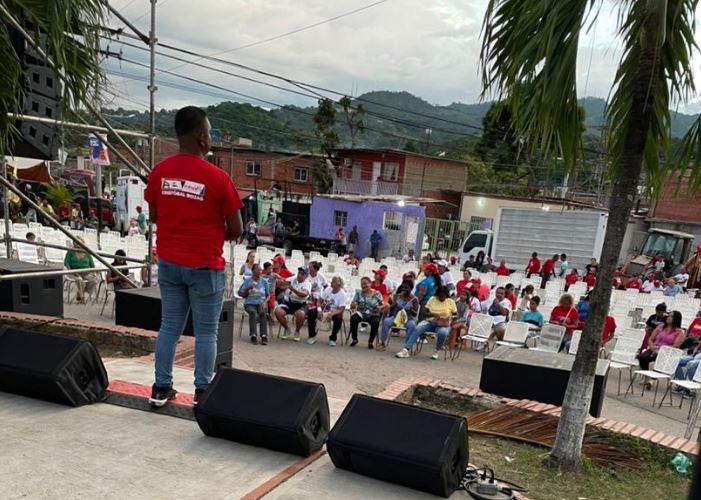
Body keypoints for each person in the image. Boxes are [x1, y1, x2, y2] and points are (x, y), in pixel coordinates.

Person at [145, 106, 244, 407]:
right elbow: (236, 228)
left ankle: (161, 388)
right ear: (202, 138)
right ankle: (202, 392)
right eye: (210, 132)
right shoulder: (218, 178)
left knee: (169, 328)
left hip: (170, 263)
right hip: (204, 266)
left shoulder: (160, 172)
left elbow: (154, 215)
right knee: (206, 333)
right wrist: (213, 233)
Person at [396, 286, 456, 360]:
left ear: (446, 295)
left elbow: (455, 314)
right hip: (430, 322)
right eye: (439, 296)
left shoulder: (450, 302)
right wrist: (433, 315)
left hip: (443, 324)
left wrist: (450, 318)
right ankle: (406, 349)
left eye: (443, 296)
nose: (441, 298)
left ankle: (436, 350)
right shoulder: (432, 299)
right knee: (418, 328)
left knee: (443, 333)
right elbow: (424, 313)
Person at [638, 311, 685, 382]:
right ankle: (646, 375)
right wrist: (652, 346)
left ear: (676, 319)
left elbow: (676, 345)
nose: (669, 317)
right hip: (654, 349)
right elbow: (651, 339)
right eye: (669, 315)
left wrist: (662, 349)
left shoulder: (679, 332)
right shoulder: (661, 326)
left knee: (660, 360)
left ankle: (652, 380)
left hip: (667, 352)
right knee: (642, 357)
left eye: (671, 316)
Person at [274, 267, 312, 342]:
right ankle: (287, 328)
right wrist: (280, 282)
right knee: (277, 311)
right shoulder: (292, 279)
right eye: (299, 273)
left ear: (306, 276)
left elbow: (304, 294)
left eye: (302, 274)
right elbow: (283, 283)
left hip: (300, 304)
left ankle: (297, 331)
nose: (300, 275)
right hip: (288, 302)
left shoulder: (307, 284)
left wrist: (293, 289)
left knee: (300, 314)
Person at [379, 281, 418, 351]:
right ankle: (382, 343)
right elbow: (391, 308)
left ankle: (407, 347)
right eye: (403, 287)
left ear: (411, 289)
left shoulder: (414, 299)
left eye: (406, 288)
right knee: (386, 322)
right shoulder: (398, 296)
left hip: (408, 319)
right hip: (396, 317)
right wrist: (395, 304)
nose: (403, 289)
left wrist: (411, 309)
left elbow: (415, 314)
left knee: (412, 325)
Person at [239, 263, 269, 345]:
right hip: (250, 303)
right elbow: (240, 293)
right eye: (258, 270)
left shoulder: (264, 281)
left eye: (261, 270)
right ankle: (253, 335)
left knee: (262, 313)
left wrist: (265, 302)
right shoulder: (248, 281)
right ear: (253, 271)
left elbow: (268, 295)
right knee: (252, 312)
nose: (260, 271)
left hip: (261, 303)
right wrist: (248, 288)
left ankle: (263, 335)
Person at [349, 277, 384, 348]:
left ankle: (370, 341)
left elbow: (382, 305)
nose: (363, 285)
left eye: (365, 284)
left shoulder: (377, 294)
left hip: (373, 314)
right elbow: (353, 304)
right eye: (362, 284)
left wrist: (379, 308)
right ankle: (355, 339)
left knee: (376, 322)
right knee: (354, 318)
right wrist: (353, 305)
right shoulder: (358, 293)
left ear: (370, 284)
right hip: (361, 313)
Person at [64, 237, 98, 303]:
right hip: (74, 272)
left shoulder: (87, 252)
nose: (77, 245)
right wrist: (71, 271)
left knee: (95, 280)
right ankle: (82, 297)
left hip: (86, 273)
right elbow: (66, 263)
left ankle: (79, 293)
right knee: (79, 280)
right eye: (76, 243)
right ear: (73, 244)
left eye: (79, 243)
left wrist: (94, 273)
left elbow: (92, 265)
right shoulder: (70, 251)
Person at [319, 276, 348, 347]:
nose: (331, 283)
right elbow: (320, 300)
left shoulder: (342, 294)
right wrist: (319, 310)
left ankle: (333, 338)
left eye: (333, 282)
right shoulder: (328, 289)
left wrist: (332, 314)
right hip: (324, 309)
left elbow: (341, 309)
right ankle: (312, 335)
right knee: (312, 312)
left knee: (338, 319)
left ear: (338, 284)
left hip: (335, 312)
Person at [305, 261, 328, 344]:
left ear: (315, 269)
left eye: (310, 267)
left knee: (313, 311)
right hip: (307, 297)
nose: (308, 268)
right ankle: (312, 334)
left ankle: (312, 335)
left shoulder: (321, 277)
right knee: (311, 312)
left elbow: (326, 288)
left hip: (318, 298)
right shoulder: (306, 275)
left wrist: (323, 297)